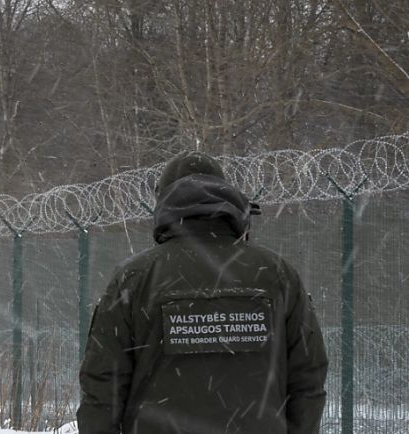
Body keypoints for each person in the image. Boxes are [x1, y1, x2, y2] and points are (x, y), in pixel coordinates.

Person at [77, 151, 328, 434]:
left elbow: (101, 385)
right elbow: (308, 379)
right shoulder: (277, 274)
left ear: (163, 202)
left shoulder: (135, 278)